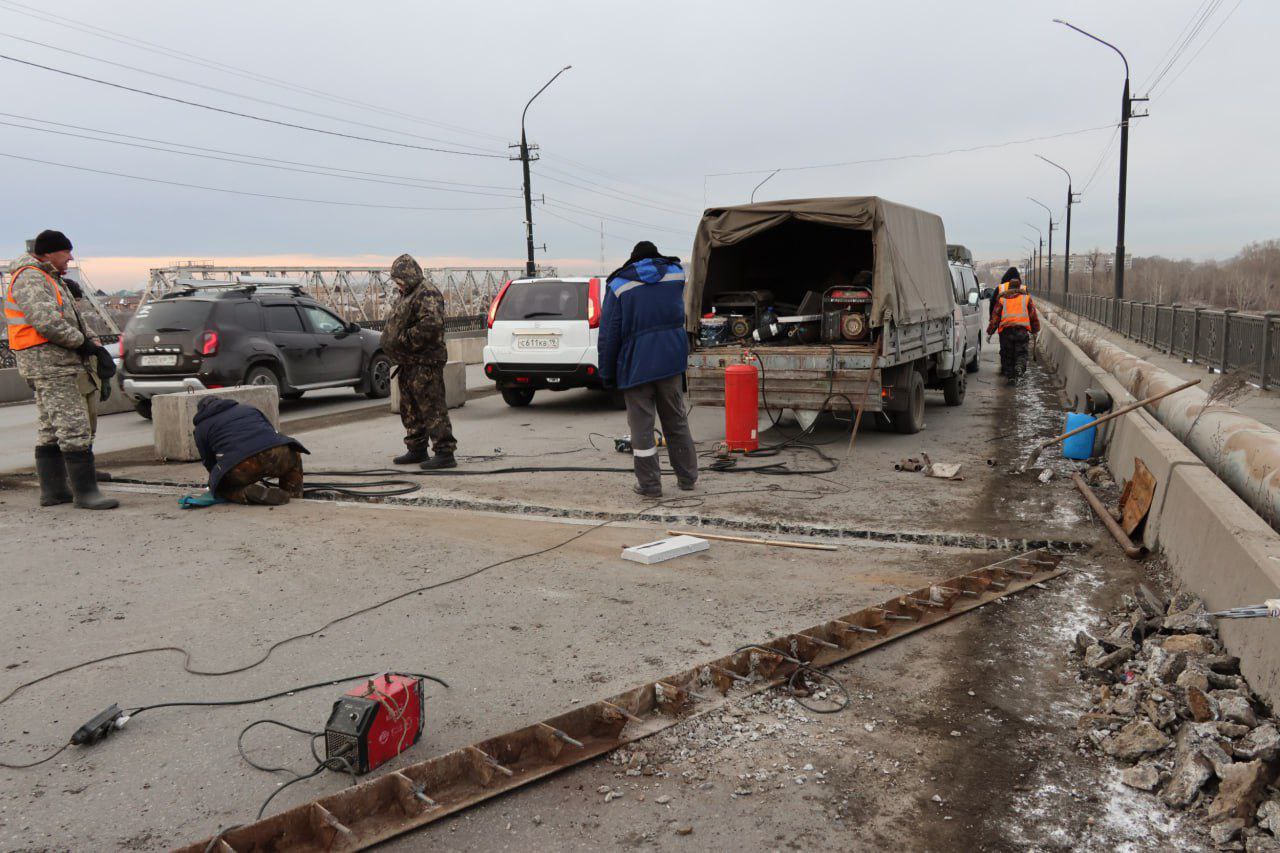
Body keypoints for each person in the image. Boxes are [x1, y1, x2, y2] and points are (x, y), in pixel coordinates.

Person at [5, 229, 117, 509]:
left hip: (52, 362)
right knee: (73, 426)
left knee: (50, 428)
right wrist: (83, 344)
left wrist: (93, 344)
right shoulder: (31, 277)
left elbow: (71, 317)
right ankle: (86, 493)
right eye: (66, 252)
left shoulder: (49, 278)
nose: (71, 257)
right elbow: (47, 322)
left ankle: (54, 491)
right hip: (50, 363)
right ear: (49, 253)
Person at [598, 241, 698, 498]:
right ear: (657, 256)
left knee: (641, 428)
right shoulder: (676, 275)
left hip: (636, 366)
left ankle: (650, 485)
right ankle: (687, 478)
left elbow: (609, 335)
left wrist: (607, 374)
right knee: (676, 420)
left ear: (632, 260)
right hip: (671, 362)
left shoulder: (619, 286)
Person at [380, 253, 457, 469]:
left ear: (409, 275)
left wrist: (401, 340)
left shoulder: (427, 293)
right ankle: (416, 449)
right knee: (410, 408)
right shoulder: (407, 294)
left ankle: (444, 452)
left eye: (399, 279)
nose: (397, 284)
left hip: (425, 362)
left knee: (431, 407)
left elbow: (430, 327)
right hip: (408, 362)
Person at [192, 397, 307, 505]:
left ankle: (246, 493)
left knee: (220, 487)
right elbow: (271, 432)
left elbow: (209, 462)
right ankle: (294, 497)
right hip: (277, 454)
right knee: (293, 459)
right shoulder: (249, 409)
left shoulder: (201, 428)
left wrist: (216, 482)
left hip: (241, 465)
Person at [986, 270, 1040, 384]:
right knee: (1021, 353)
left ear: (1008, 288)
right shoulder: (1026, 298)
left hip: (1006, 332)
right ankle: (1019, 367)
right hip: (1021, 331)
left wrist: (990, 332)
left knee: (1007, 354)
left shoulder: (1002, 300)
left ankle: (1010, 376)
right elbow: (1033, 315)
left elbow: (995, 317)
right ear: (1020, 286)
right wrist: (1035, 330)